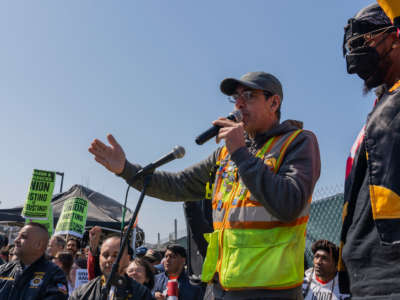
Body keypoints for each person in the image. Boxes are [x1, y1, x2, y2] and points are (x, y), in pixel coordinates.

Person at [89, 71, 321, 299]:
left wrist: (240, 152)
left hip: (271, 292)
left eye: (249, 95)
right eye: (236, 97)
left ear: (274, 102)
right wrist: (126, 170)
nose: (238, 104)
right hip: (220, 288)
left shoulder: (297, 142)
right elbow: (178, 184)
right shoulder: (224, 155)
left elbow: (289, 203)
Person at [340, 2, 400, 299]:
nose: (355, 49)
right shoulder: (379, 109)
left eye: (364, 38)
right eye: (351, 42)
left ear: (395, 35)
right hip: (364, 280)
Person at [70, 235, 152, 300]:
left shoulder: (142, 294)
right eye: (105, 255)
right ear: (99, 259)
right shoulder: (81, 293)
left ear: (127, 259)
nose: (109, 259)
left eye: (116, 255)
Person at [0, 222, 68, 300]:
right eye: (17, 236)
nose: (16, 240)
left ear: (38, 245)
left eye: (23, 237)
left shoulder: (54, 275)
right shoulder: (4, 270)